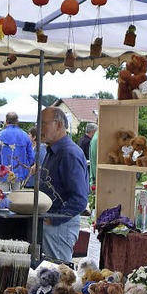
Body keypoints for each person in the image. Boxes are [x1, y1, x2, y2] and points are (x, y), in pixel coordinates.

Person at [39, 107, 89, 265]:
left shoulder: (68, 154)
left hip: (59, 226)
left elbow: (80, 199)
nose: (39, 128)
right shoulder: (53, 151)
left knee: (58, 277)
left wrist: (53, 220)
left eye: (43, 124)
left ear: (59, 125)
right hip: (53, 224)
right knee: (49, 276)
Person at [0, 111, 34, 186]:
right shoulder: (25, 136)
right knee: (17, 196)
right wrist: (25, 169)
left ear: (6, 121)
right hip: (19, 173)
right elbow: (31, 156)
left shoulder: (0, 135)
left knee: (3, 196)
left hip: (3, 173)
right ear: (17, 122)